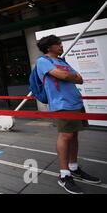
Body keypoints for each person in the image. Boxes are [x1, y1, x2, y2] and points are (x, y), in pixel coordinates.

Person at [35, 35, 100, 194]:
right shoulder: (43, 61)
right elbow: (66, 76)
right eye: (58, 44)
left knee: (74, 135)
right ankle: (64, 175)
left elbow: (80, 79)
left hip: (76, 102)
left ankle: (74, 167)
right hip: (61, 104)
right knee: (65, 136)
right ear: (49, 47)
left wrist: (68, 76)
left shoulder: (62, 61)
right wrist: (70, 76)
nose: (61, 46)